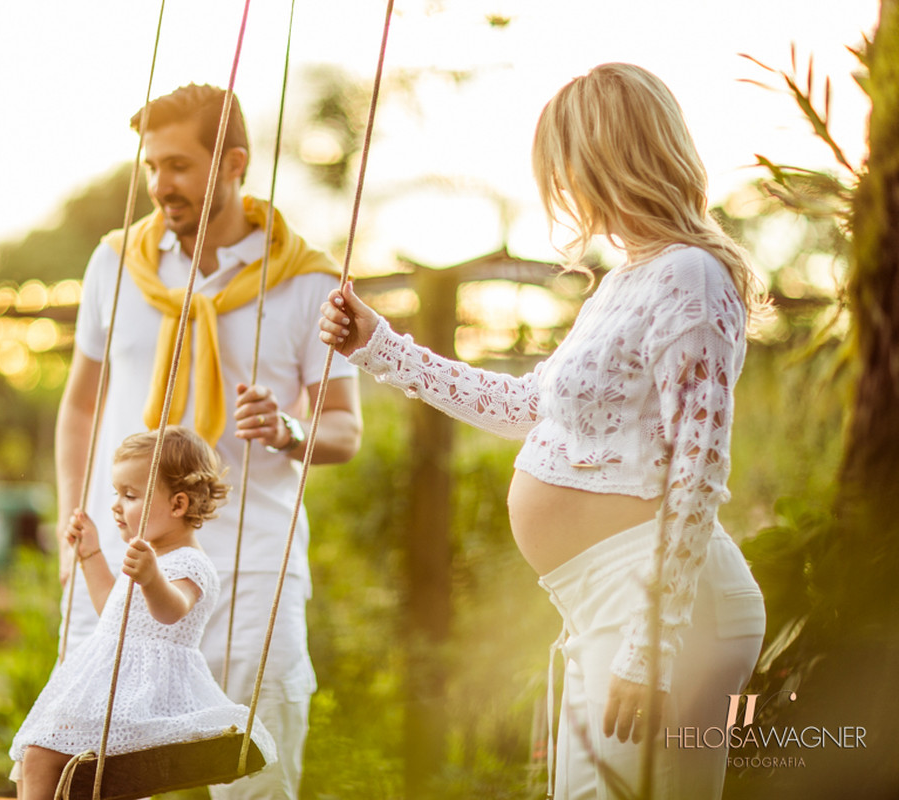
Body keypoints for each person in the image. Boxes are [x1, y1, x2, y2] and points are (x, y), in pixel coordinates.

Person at [318, 63, 768, 799]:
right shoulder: (626, 279)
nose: (563, 190)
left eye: (568, 167)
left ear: (610, 158)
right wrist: (380, 346)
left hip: (659, 616)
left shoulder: (690, 276)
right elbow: (528, 405)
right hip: (603, 605)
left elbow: (699, 466)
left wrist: (651, 647)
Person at [55, 83, 362, 799]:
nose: (161, 185)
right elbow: (79, 409)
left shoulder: (308, 283)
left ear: (234, 164)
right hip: (122, 565)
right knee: (82, 769)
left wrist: (287, 431)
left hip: (252, 569)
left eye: (180, 166)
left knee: (255, 776)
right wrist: (76, 534)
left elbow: (344, 429)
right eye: (151, 166)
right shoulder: (114, 264)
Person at [11, 427, 277, 799]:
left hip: (140, 695)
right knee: (30, 760)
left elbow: (174, 611)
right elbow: (112, 614)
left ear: (178, 505)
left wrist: (152, 579)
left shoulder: (189, 562)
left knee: (42, 756)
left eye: (130, 495)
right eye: (117, 493)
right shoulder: (148, 555)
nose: (116, 505)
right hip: (108, 688)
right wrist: (90, 553)